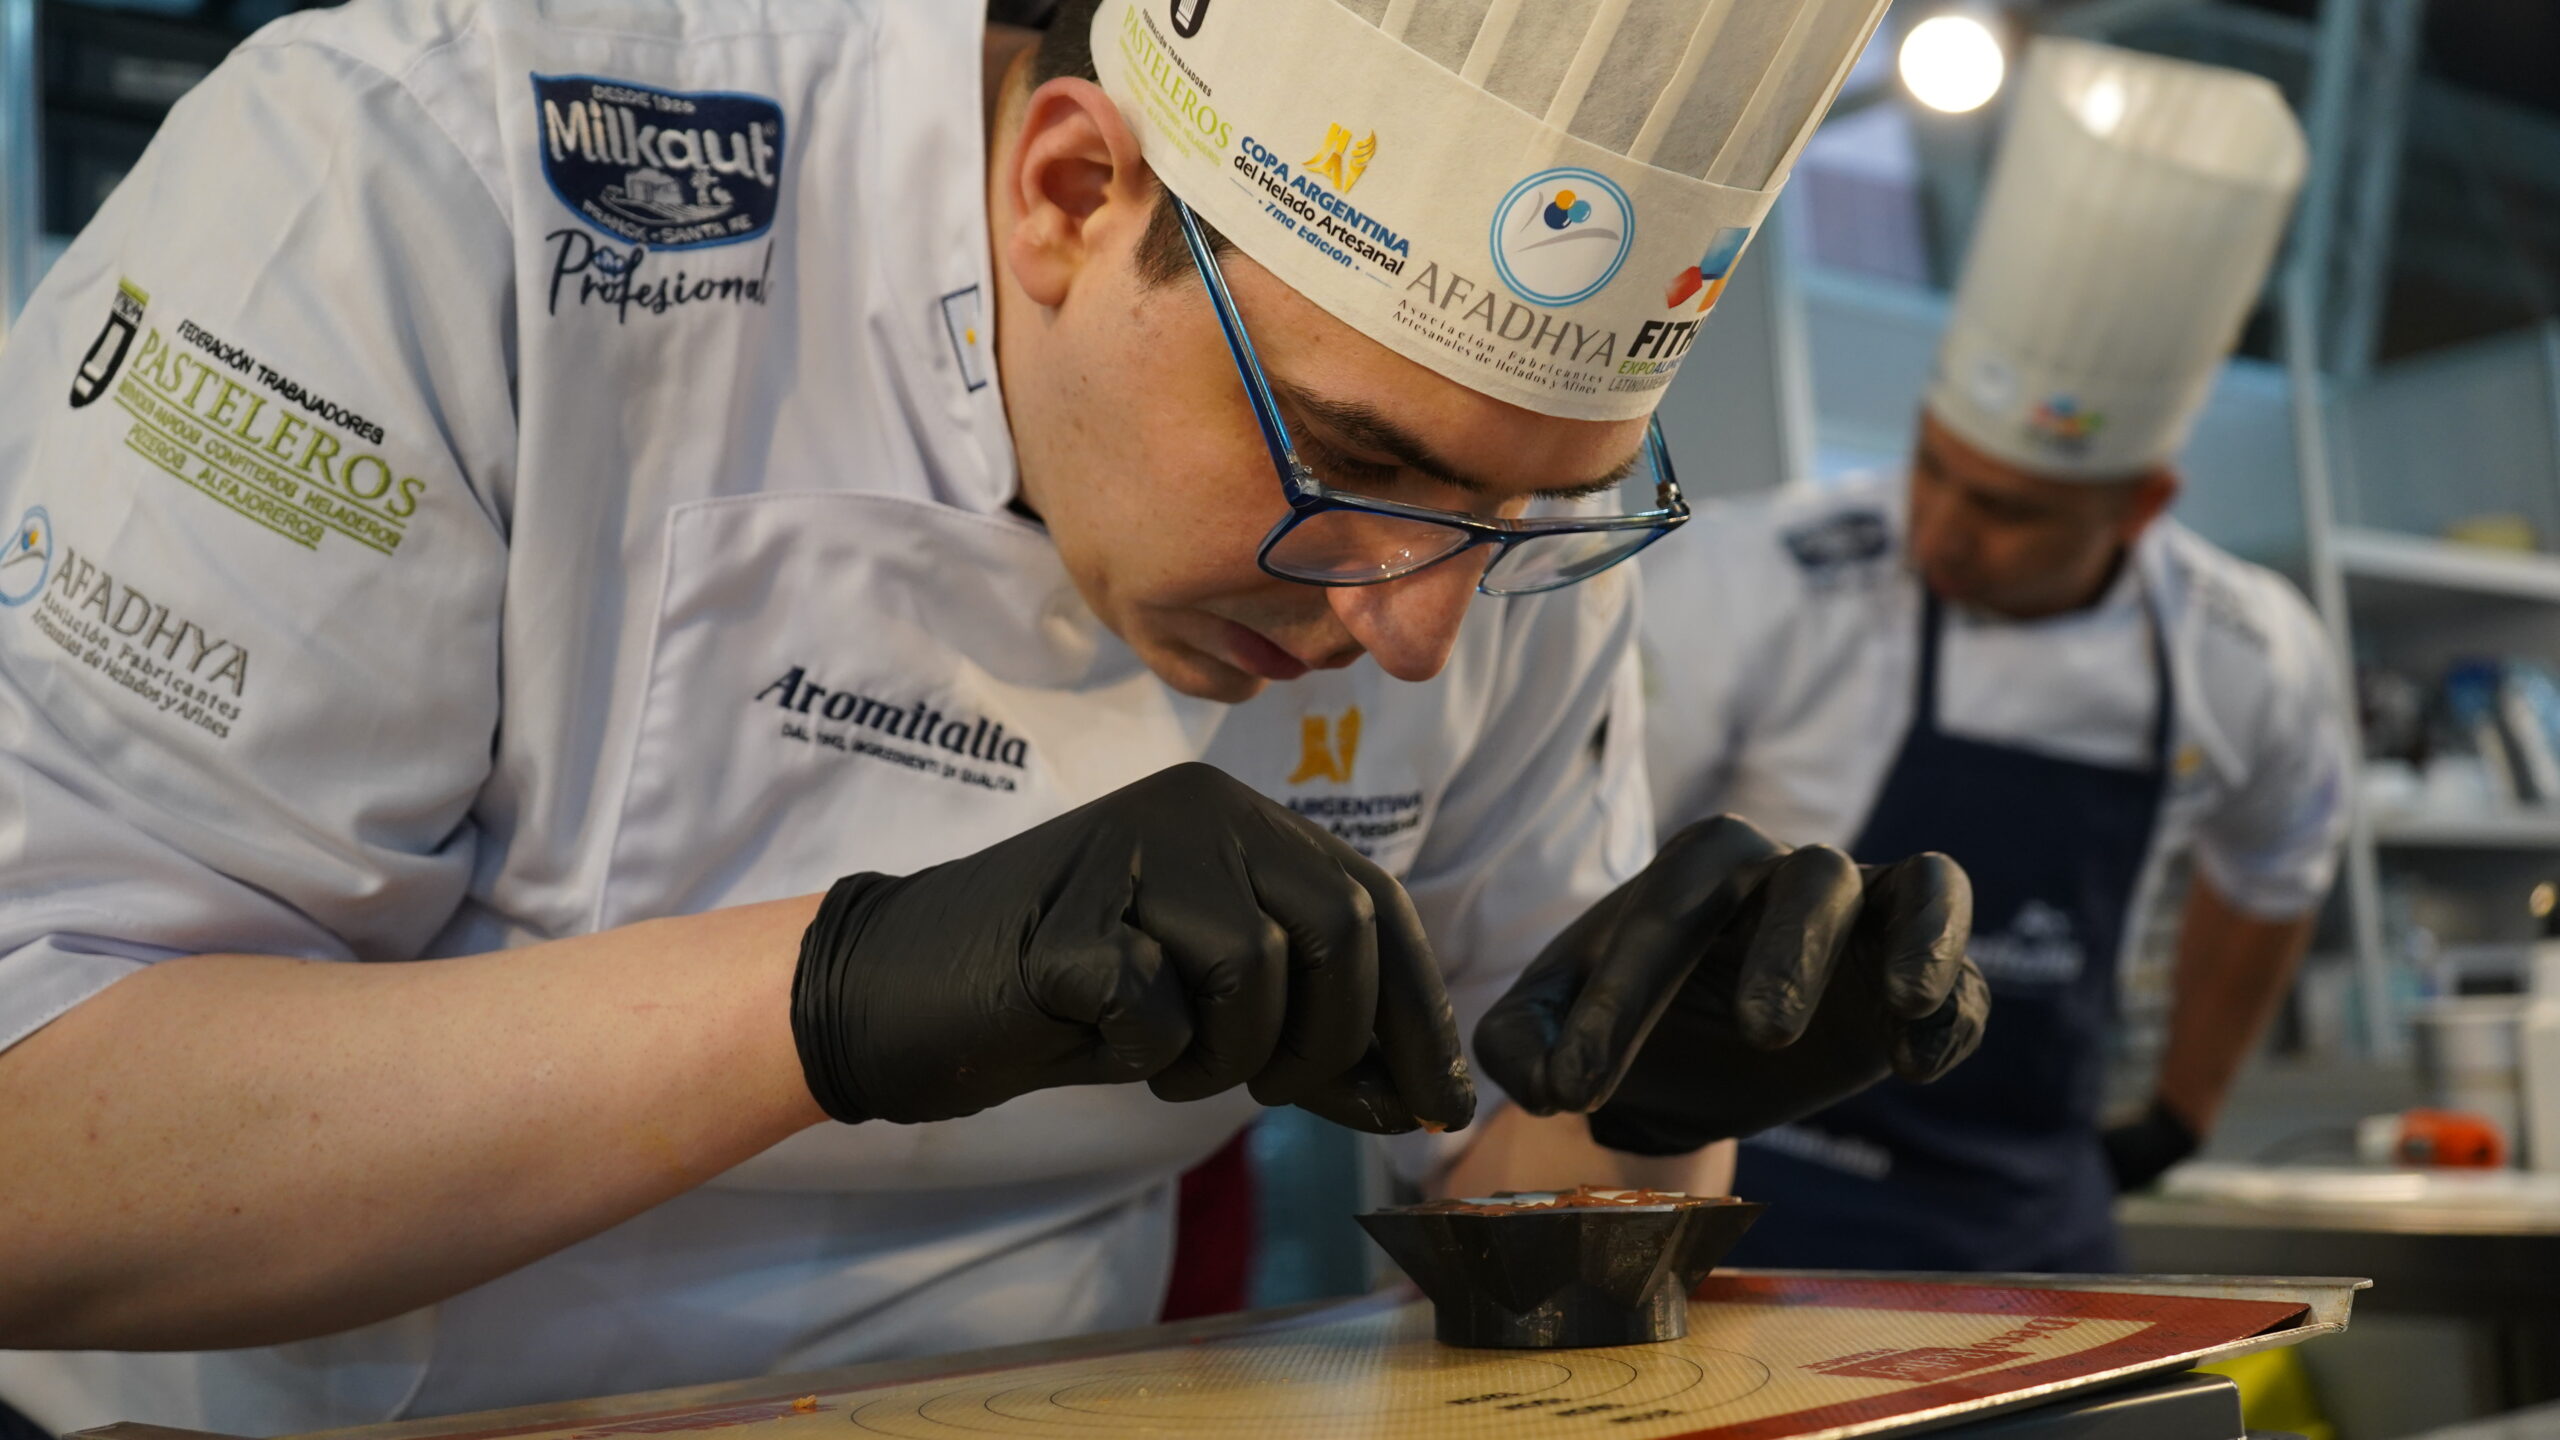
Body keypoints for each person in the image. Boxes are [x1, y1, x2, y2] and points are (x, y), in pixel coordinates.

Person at [0, 0, 1989, 1431]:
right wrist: (841, 991)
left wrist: (1639, 1128)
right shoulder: (420, 191)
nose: (1416, 627)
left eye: (1525, 509)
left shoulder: (1459, 535)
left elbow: (1519, 1235)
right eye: (1343, 457)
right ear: (1065, 191)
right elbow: (36, 1169)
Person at [1643, 37, 2350, 1275]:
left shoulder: (2248, 655)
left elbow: (2278, 868)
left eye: (2015, 510)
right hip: (1756, 1185)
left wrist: (2178, 1115)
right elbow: (1587, 855)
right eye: (1937, 470)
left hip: (2030, 1222)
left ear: (2138, 506)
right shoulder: (1761, 576)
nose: (1949, 530)